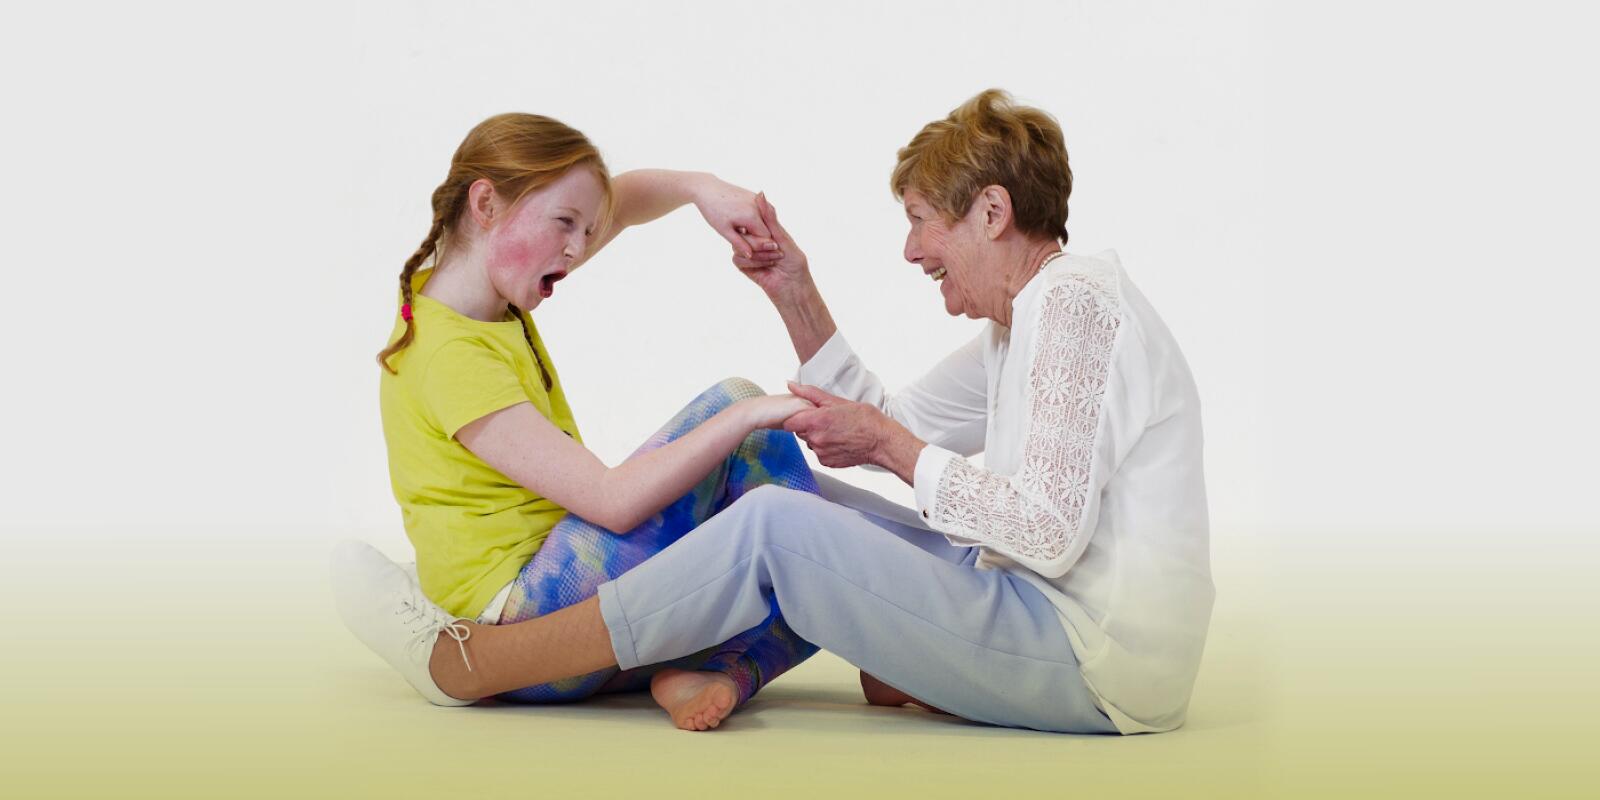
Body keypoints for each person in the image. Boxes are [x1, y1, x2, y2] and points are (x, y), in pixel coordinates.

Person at [336, 90, 1214, 734]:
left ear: (992, 212)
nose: (911, 249)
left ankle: (484, 663)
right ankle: (766, 660)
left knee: (773, 531)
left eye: (920, 222)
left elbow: (1044, 530)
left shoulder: (1074, 310)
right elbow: (881, 417)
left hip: (1094, 662)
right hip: (1040, 606)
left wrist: (891, 450)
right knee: (797, 506)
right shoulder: (1022, 324)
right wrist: (792, 290)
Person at [335, 112, 820, 732]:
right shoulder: (450, 352)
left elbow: (629, 197)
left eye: (585, 230)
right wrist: (755, 411)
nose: (577, 247)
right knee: (741, 415)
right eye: (565, 224)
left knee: (802, 531)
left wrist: (702, 187)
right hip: (524, 618)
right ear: (485, 203)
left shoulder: (484, 296)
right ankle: (804, 638)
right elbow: (611, 502)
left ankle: (716, 674)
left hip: (572, 609)